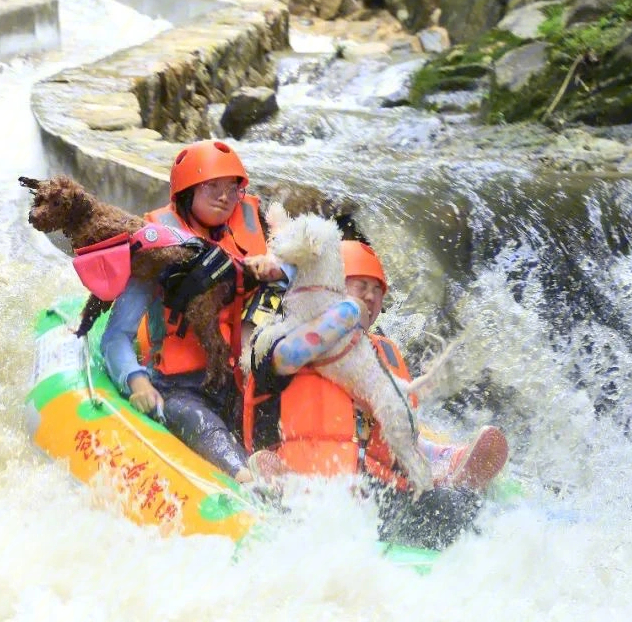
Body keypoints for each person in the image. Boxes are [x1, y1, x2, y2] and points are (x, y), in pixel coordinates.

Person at [244, 240, 509, 548]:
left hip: (377, 491)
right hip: (315, 484)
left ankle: (448, 475)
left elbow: (400, 436)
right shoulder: (282, 341)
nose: (370, 297)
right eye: (360, 287)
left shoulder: (384, 353)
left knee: (459, 513)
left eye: (376, 290)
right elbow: (285, 357)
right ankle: (275, 480)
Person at [101, 140, 283, 485]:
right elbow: (115, 336)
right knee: (191, 418)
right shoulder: (157, 251)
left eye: (232, 188)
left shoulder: (251, 246)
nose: (224, 197)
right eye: (211, 186)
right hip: (177, 387)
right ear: (186, 193)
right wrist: (136, 381)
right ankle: (246, 480)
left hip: (236, 379)